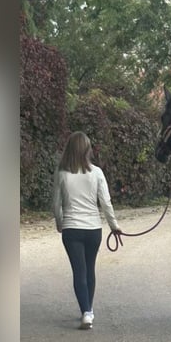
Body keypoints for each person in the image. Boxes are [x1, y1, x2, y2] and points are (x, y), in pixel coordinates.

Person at [53, 131, 122, 329]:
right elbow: (106, 203)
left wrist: (60, 224)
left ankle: (86, 311)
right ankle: (87, 310)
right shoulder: (97, 173)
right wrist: (114, 226)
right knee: (89, 269)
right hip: (93, 229)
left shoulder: (62, 172)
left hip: (72, 229)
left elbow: (56, 204)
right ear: (87, 150)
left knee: (79, 271)